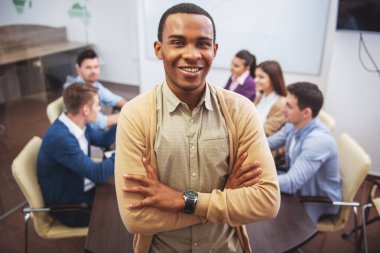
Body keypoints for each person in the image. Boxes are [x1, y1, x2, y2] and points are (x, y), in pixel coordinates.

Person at [115, 3, 280, 252]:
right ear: (159, 49)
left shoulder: (241, 110)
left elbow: (267, 201)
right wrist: (221, 202)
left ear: (214, 50)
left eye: (202, 43)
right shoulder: (136, 114)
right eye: (178, 42)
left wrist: (182, 200)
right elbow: (136, 218)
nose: (192, 54)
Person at [37, 83, 116, 227]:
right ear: (85, 109)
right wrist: (122, 154)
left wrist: (122, 121)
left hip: (82, 186)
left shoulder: (76, 121)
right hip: (73, 206)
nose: (99, 109)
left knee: (124, 195)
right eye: (97, 105)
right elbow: (96, 174)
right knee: (119, 214)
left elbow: (102, 139)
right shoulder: (61, 138)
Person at [267, 82, 342, 223]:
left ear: (306, 112)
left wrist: (252, 180)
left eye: (288, 106)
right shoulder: (294, 124)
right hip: (299, 188)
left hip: (316, 200)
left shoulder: (317, 141)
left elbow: (291, 183)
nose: (283, 109)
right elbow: (267, 144)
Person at [64, 49, 127, 130]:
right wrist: (128, 114)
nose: (93, 71)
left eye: (96, 67)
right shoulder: (75, 91)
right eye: (88, 67)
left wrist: (129, 107)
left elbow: (115, 99)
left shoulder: (94, 84)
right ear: (78, 70)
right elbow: (100, 123)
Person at [254, 60, 287, 136]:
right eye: (255, 76)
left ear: (273, 79)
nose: (255, 80)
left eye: (261, 77)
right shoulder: (260, 97)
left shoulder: (281, 103)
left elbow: (266, 131)